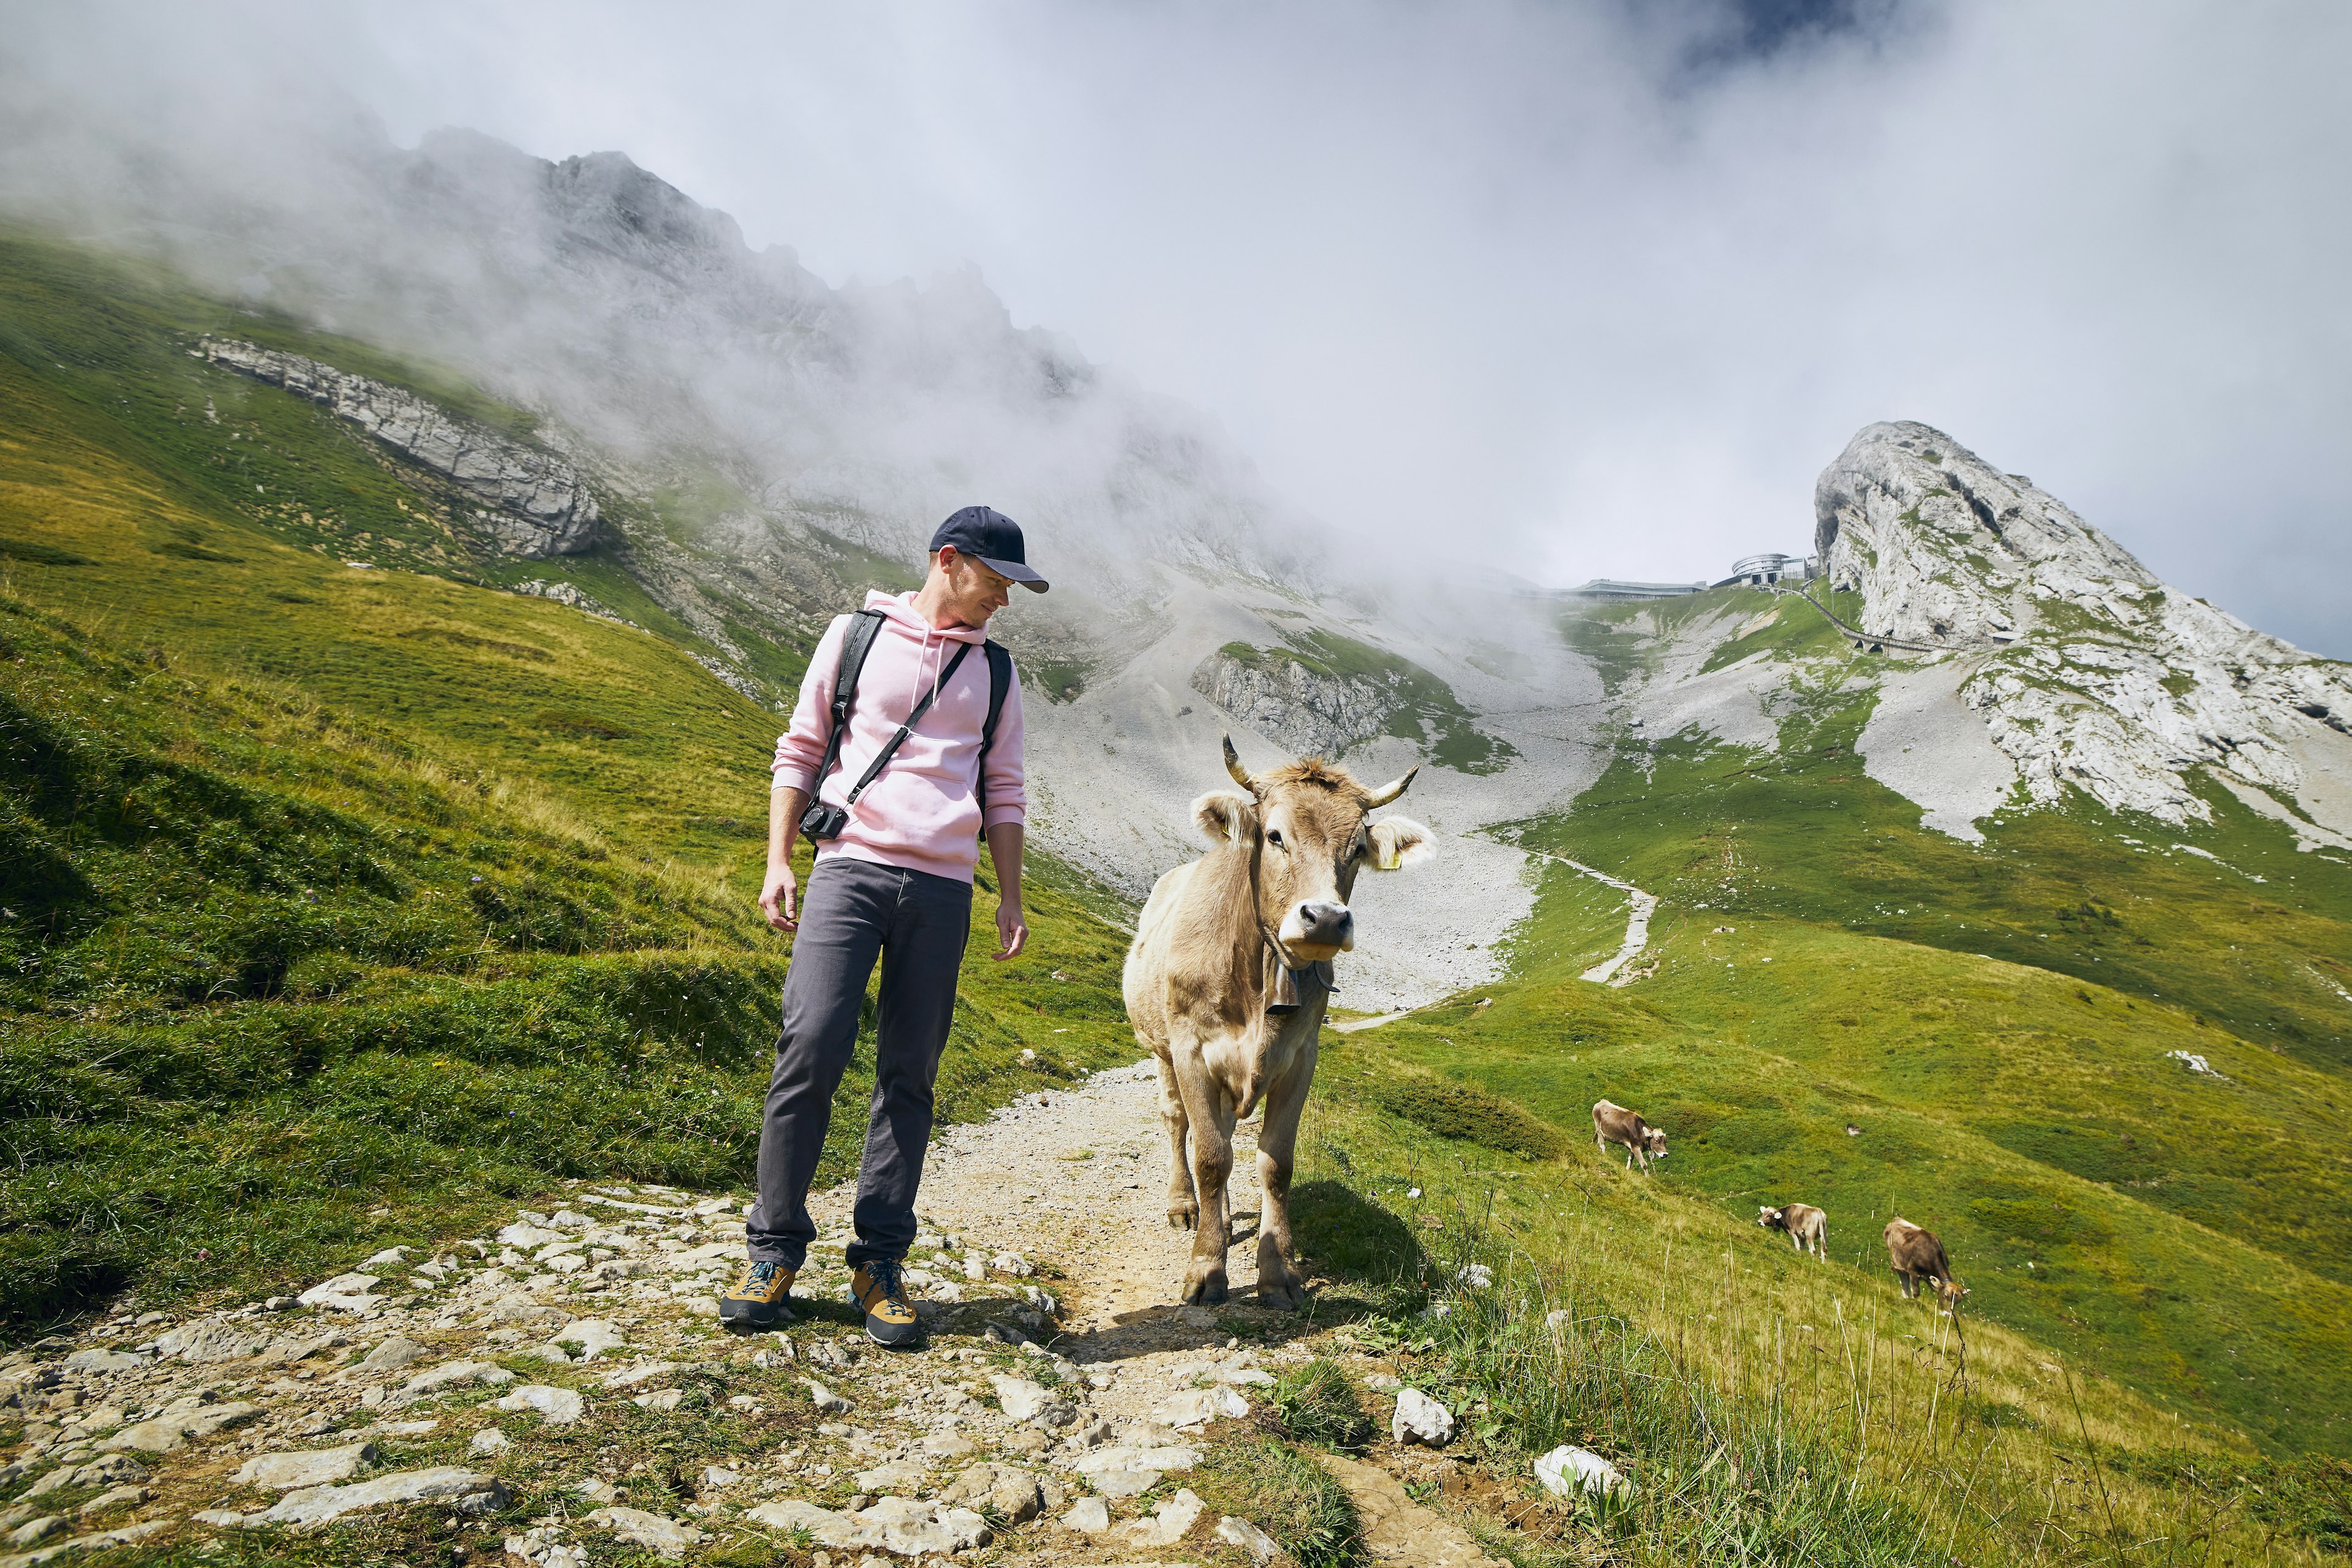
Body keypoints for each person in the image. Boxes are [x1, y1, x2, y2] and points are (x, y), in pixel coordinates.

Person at [720, 505, 1046, 1345]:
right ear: (949, 560)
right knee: (811, 1047)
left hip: (941, 892)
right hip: (850, 872)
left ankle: (880, 1262)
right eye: (998, 581)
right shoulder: (855, 637)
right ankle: (774, 1251)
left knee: (910, 1076)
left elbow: (1003, 790)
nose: (1006, 600)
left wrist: (1008, 895)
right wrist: (779, 860)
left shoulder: (998, 676)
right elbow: (801, 747)